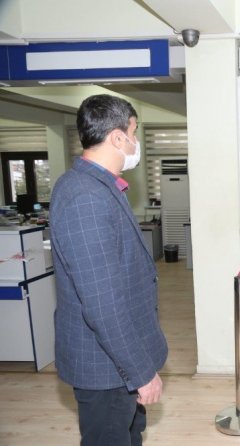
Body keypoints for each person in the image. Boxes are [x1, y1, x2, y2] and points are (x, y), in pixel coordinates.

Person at [50, 94, 168, 446]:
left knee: (131, 434)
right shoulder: (85, 198)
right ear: (117, 137)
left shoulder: (99, 185)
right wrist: (141, 373)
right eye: (133, 132)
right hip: (106, 368)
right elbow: (103, 304)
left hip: (117, 360)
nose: (136, 141)